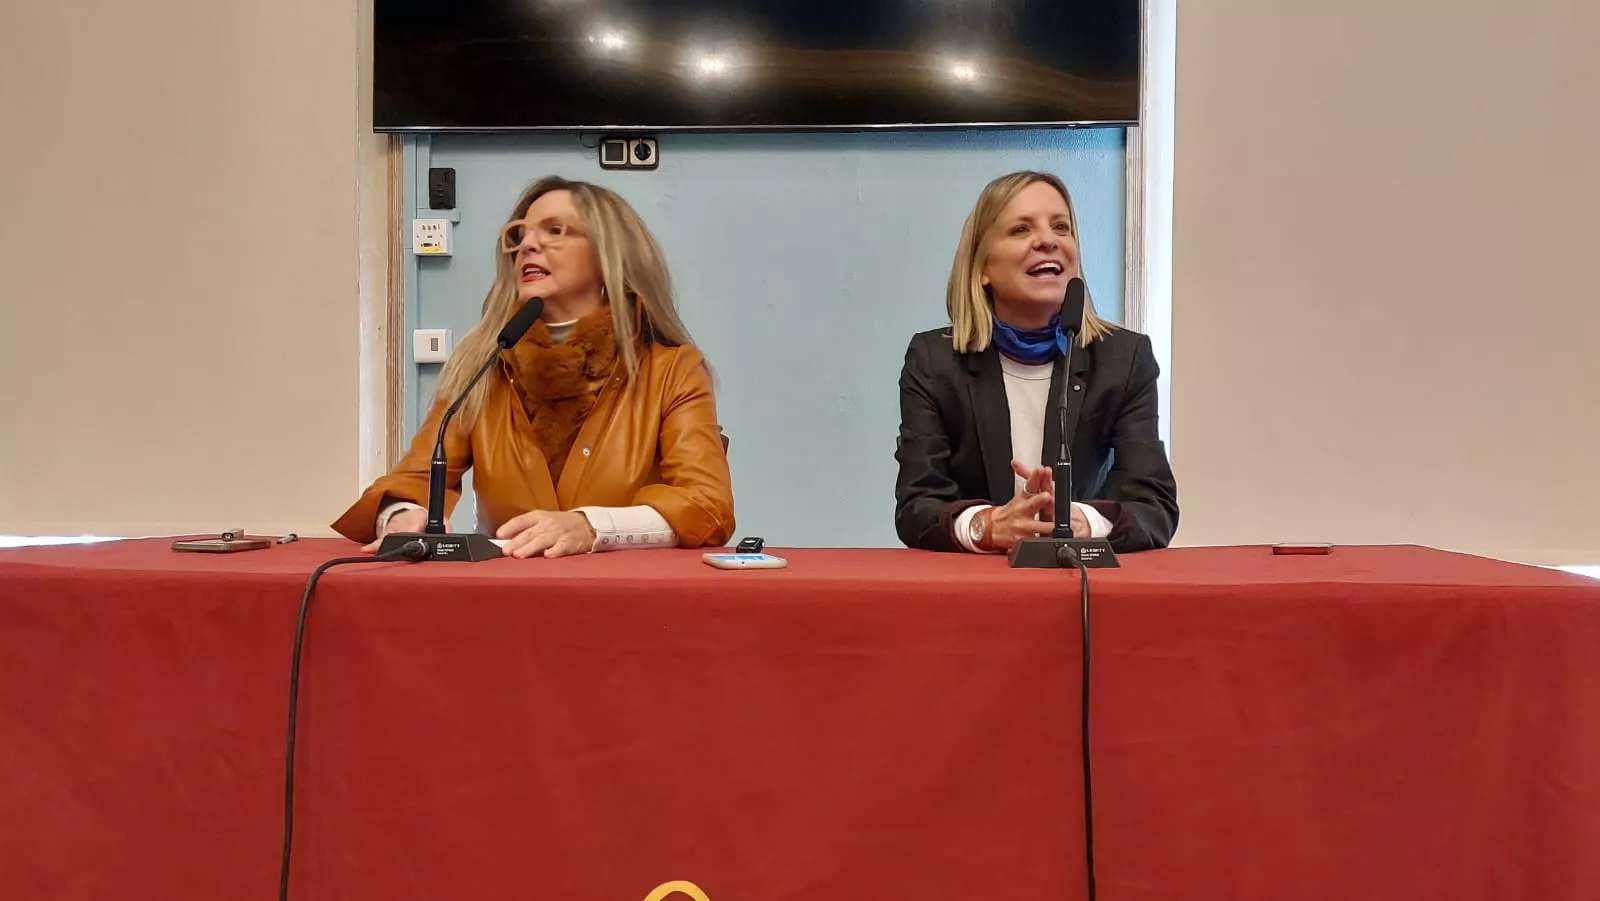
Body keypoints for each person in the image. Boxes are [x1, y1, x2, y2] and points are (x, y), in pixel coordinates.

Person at [333, 176, 736, 558]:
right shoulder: (481, 364)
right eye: (519, 234)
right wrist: (401, 516)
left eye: (555, 230)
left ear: (610, 255)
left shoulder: (672, 370)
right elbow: (413, 480)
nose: (528, 244)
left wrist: (592, 527)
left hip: (629, 604)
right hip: (506, 603)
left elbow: (705, 505)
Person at [893, 170, 1178, 554]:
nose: (1047, 240)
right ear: (982, 270)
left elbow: (1154, 506)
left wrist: (1084, 521)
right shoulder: (935, 361)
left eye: (1061, 227)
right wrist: (987, 525)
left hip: (1082, 587)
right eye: (1020, 230)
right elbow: (917, 506)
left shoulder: (1124, 359)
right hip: (973, 588)